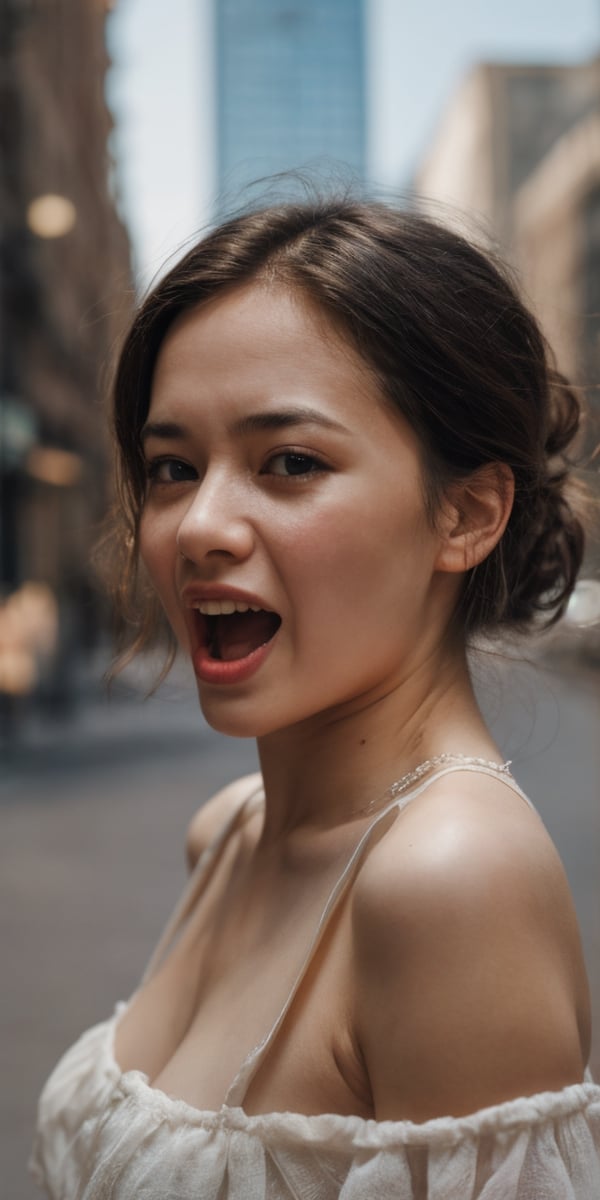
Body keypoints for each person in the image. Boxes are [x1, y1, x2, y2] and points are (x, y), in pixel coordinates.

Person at [31, 197, 600, 1198]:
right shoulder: (231, 833)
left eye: (290, 463)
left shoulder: (448, 882)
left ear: (465, 514)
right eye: (172, 467)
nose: (200, 524)